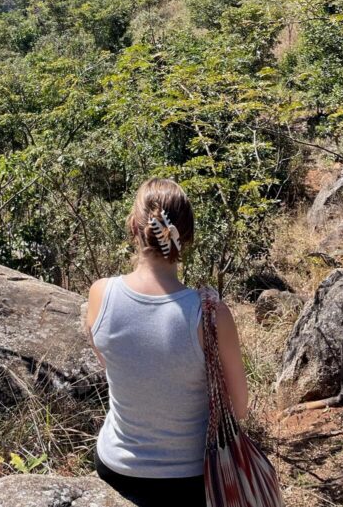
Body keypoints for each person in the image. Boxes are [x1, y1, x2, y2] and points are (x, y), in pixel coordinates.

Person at [85, 177, 249, 507]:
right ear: (186, 237)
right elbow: (240, 408)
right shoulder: (211, 313)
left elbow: (110, 364)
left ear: (134, 226)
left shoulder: (101, 294)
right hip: (190, 480)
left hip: (117, 468)